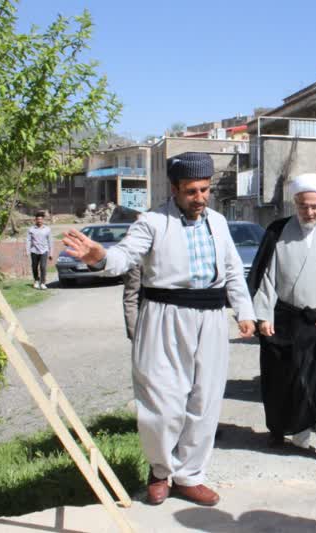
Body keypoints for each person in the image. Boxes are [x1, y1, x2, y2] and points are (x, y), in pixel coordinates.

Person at [62, 152, 256, 507]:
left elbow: (232, 272)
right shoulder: (151, 222)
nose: (199, 198)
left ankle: (190, 476)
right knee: (161, 404)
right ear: (174, 189)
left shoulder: (217, 222)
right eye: (191, 191)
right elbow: (124, 257)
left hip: (210, 318)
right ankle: (160, 471)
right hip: (164, 317)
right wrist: (99, 257)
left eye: (205, 190)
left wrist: (245, 311)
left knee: (205, 400)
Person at [248, 173, 316, 467]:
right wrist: (263, 316)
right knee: (283, 382)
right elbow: (265, 277)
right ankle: (281, 429)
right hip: (283, 322)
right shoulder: (277, 230)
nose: (309, 213)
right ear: (295, 203)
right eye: (304, 206)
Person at [26, 211, 53, 290]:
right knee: (34, 267)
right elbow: (28, 240)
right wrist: (27, 251)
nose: (39, 221)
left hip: (44, 251)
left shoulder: (47, 229)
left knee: (43, 267)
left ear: (43, 220)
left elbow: (50, 241)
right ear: (35, 220)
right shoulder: (31, 229)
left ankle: (43, 283)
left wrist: (51, 253)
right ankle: (36, 280)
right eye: (38, 219)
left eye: (41, 219)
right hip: (34, 251)